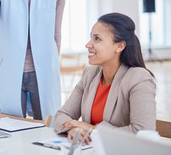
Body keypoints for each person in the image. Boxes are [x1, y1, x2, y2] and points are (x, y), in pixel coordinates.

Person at [53, 13, 156, 144]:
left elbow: (143, 133)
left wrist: (92, 129)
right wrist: (72, 130)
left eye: (97, 39)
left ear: (119, 46)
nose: (88, 44)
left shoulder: (139, 78)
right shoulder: (90, 74)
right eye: (90, 38)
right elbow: (61, 115)